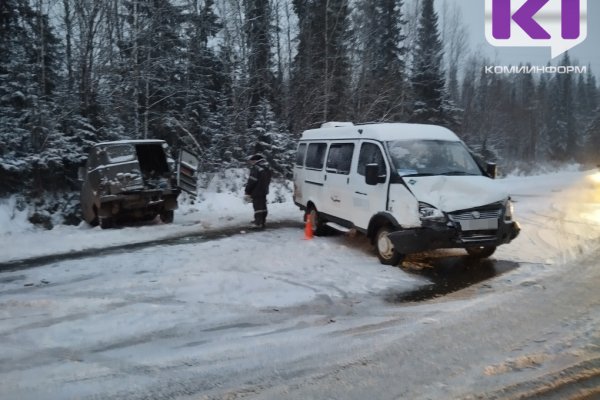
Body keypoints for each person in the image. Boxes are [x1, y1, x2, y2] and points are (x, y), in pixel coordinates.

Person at [245, 153, 271, 229]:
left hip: (256, 191)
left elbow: (252, 181)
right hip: (264, 190)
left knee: (257, 207)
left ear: (256, 160)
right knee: (263, 206)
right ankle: (263, 221)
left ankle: (258, 222)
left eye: (252, 161)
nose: (251, 163)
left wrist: (247, 190)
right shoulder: (266, 167)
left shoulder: (256, 168)